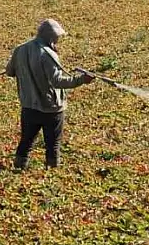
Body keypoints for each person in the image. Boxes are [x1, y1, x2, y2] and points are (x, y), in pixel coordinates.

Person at [5, 19, 95, 169]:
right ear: (51, 37)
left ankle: (18, 168)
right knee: (53, 144)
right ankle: (52, 173)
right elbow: (57, 81)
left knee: (26, 141)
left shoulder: (20, 49)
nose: (59, 40)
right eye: (57, 37)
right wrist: (82, 80)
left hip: (28, 106)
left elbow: (9, 71)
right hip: (51, 108)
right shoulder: (47, 54)